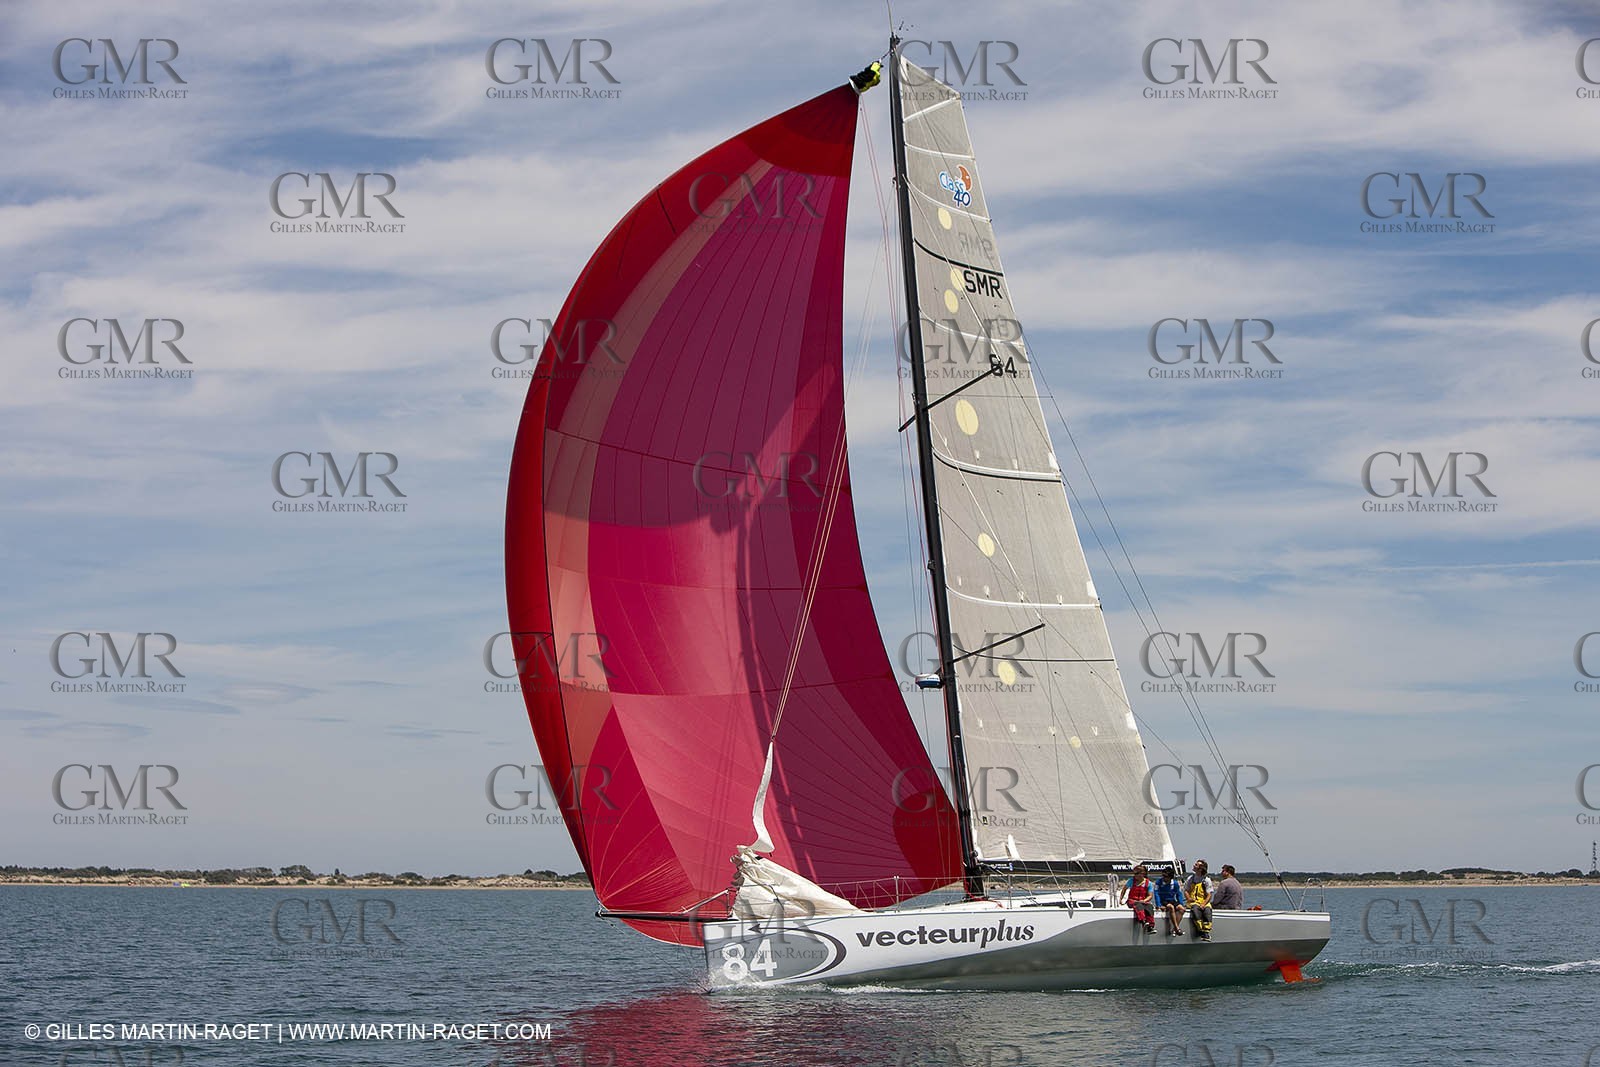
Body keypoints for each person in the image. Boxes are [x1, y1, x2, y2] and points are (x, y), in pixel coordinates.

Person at [1118, 864, 1156, 933]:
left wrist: (1144, 900)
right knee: (1138, 905)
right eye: (1134, 873)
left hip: (1143, 901)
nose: (1135, 875)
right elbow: (1124, 889)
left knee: (1149, 907)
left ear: (1143, 873)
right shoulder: (1131, 881)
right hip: (1132, 900)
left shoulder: (1148, 883)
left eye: (1137, 873)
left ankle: (1151, 926)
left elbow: (1150, 895)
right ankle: (1143, 921)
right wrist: (1121, 899)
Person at [1185, 860, 1214, 941]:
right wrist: (1189, 898)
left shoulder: (1206, 880)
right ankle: (1200, 929)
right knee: (1195, 909)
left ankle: (1206, 931)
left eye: (1196, 865)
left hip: (1204, 901)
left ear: (1201, 869)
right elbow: (1186, 891)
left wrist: (1204, 904)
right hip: (1193, 901)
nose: (1194, 865)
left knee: (1207, 910)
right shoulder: (1191, 878)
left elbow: (1209, 895)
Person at [1153, 870, 1185, 935]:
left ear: (1170, 877)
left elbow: (1179, 894)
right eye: (1163, 876)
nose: (1164, 878)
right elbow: (1156, 894)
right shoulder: (1158, 882)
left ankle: (1174, 928)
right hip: (1163, 900)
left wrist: (1181, 903)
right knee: (1171, 907)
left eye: (1166, 876)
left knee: (1182, 909)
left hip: (1171, 900)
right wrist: (1158, 905)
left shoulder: (1175, 884)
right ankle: (1177, 928)